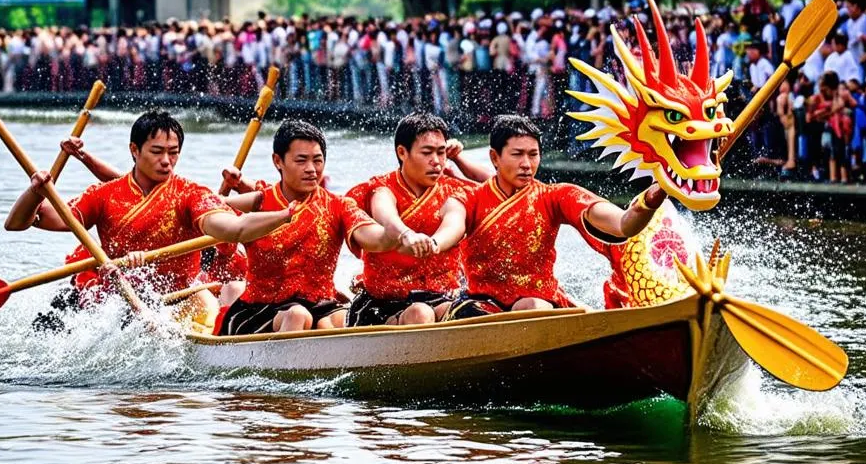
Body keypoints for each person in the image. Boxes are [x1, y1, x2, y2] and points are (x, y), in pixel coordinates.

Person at [5, 109, 293, 327]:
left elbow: (234, 227)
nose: (166, 161)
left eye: (173, 153)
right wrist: (34, 191)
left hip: (181, 297)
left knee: (212, 302)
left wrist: (283, 215)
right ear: (135, 150)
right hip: (117, 299)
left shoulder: (190, 193)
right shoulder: (104, 195)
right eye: (157, 152)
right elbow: (20, 222)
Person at [431, 115, 667, 316]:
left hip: (538, 304)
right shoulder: (469, 198)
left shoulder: (555, 196)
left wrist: (652, 199)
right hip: (482, 305)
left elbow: (623, 225)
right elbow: (452, 224)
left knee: (529, 305)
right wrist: (434, 243)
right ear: (495, 158)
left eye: (533, 155)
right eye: (517, 154)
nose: (527, 164)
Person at [217, 119, 407, 335]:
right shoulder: (260, 201)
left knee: (341, 319)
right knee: (298, 315)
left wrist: (394, 234)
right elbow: (214, 215)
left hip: (320, 304)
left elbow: (371, 236)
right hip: (260, 308)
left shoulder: (338, 205)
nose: (311, 170)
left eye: (317, 160)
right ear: (278, 161)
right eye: (301, 160)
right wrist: (226, 187)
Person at [345, 112, 474, 328]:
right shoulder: (380, 188)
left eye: (441, 153)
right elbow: (385, 213)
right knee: (420, 314)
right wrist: (406, 235)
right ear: (402, 152)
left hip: (442, 296)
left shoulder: (455, 191)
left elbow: (505, 189)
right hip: (384, 304)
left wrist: (459, 159)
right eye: (427, 153)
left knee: (469, 312)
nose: (436, 161)